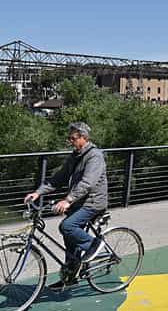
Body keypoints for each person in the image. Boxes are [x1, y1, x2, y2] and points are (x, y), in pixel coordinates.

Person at [24, 121, 108, 289]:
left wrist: (68, 200)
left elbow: (87, 183)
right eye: (69, 138)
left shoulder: (95, 156)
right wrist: (38, 192)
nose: (70, 141)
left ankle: (95, 244)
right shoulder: (74, 156)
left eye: (73, 138)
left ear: (83, 138)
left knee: (67, 226)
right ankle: (70, 277)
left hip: (93, 202)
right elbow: (59, 178)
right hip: (80, 202)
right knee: (70, 239)